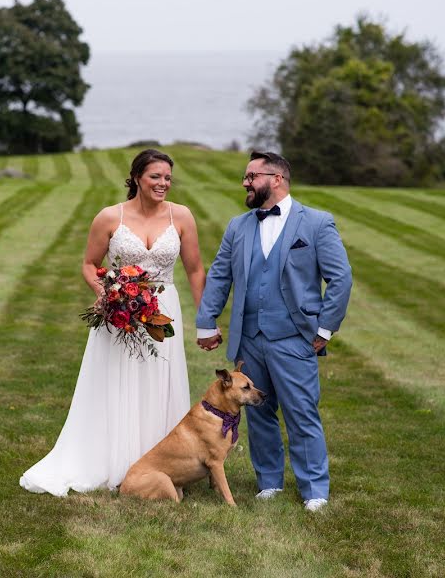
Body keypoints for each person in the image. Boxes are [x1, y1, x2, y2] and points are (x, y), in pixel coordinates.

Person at [20, 149, 206, 496]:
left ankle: (160, 465)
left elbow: (195, 269)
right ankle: (112, 460)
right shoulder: (109, 217)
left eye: (167, 178)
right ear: (137, 177)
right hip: (119, 313)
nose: (163, 183)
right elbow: (90, 264)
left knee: (158, 383)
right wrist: (111, 291)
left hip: (163, 311)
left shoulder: (181, 216)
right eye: (155, 176)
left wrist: (205, 318)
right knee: (116, 382)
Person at [196, 151, 352, 512]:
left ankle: (314, 489)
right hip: (249, 340)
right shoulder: (238, 226)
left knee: (301, 411)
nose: (245, 183)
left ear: (277, 179)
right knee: (257, 412)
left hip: (295, 337)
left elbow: (340, 278)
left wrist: (325, 329)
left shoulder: (316, 223)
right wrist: (207, 321)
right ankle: (269, 482)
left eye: (251, 176)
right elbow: (220, 275)